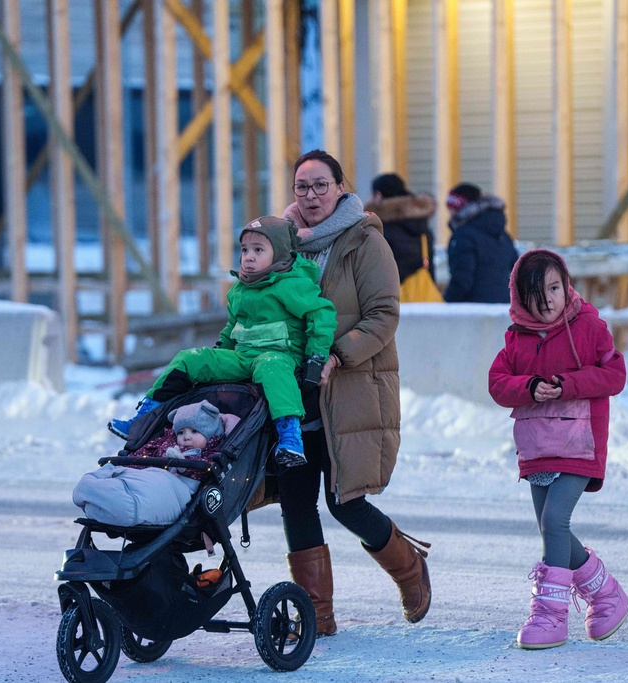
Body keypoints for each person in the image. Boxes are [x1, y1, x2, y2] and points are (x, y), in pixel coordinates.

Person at [275, 149, 431, 637]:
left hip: (350, 388)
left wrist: (337, 355)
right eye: (303, 186)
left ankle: (410, 570)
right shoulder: (281, 243)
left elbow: (383, 315)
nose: (312, 195)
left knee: (345, 500)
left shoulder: (364, 241)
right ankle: (318, 617)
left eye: (321, 185)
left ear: (341, 188)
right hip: (295, 392)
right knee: (296, 501)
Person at [488, 249, 628, 650]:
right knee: (553, 529)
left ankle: (550, 616)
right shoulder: (516, 339)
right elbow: (498, 383)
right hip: (538, 447)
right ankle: (606, 595)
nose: (548, 299)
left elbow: (614, 375)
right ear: (520, 298)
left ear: (566, 286)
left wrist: (567, 384)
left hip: (579, 444)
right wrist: (529, 387)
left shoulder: (588, 326)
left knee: (554, 522)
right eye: (537, 293)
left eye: (554, 288)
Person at [110, 216, 337, 466]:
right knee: (190, 358)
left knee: (272, 367)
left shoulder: (291, 285)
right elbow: (233, 327)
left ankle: (290, 436)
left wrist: (316, 357)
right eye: (244, 250)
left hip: (280, 356)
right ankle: (142, 419)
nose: (248, 257)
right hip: (242, 357)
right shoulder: (240, 288)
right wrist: (219, 355)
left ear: (280, 254)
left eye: (258, 250)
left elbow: (321, 314)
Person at [73, 400, 237, 526]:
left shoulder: (212, 450)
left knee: (127, 504)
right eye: (181, 432)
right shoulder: (165, 443)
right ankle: (100, 484)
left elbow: (203, 470)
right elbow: (142, 455)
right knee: (115, 477)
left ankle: (97, 492)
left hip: (178, 488)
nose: (187, 437)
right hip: (148, 477)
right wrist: (126, 464)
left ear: (210, 433)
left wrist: (182, 463)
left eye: (194, 431)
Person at [443, 182, 518, 303]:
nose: (450, 214)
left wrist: (446, 304)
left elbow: (462, 281)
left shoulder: (463, 236)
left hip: (473, 311)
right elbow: (517, 269)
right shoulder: (503, 236)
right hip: (503, 308)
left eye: (452, 208)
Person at [364, 173, 437, 284]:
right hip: (423, 296)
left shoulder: (381, 229)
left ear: (378, 196)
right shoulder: (423, 226)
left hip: (392, 294)